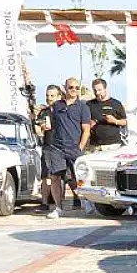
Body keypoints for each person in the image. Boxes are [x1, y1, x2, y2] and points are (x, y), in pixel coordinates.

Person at [45, 78, 92, 218]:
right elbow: (52, 124)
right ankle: (58, 208)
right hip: (57, 148)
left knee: (78, 177)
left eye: (77, 88)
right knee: (54, 176)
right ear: (65, 88)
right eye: (71, 87)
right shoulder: (57, 105)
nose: (74, 90)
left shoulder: (83, 107)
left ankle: (86, 200)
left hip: (74, 148)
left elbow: (86, 129)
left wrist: (80, 147)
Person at [34, 85, 61, 211]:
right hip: (47, 146)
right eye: (47, 95)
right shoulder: (43, 112)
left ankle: (77, 199)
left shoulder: (63, 111)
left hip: (61, 147)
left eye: (52, 95)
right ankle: (45, 203)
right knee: (46, 176)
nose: (49, 98)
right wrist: (40, 130)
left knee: (67, 176)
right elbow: (37, 127)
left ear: (59, 97)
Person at [87, 78, 127, 150]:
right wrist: (88, 123)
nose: (97, 93)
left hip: (113, 145)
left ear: (105, 89)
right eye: (95, 90)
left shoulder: (116, 103)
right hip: (95, 145)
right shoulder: (89, 104)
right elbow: (83, 122)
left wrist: (115, 121)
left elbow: (124, 122)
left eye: (99, 90)